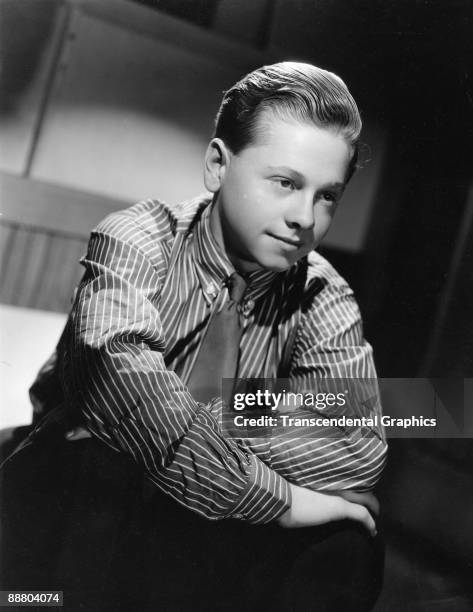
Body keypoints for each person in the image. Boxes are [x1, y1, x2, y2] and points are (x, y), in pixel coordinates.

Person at [1, 62, 387, 610]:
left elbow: (360, 444)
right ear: (217, 165)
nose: (306, 217)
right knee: (106, 460)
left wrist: (194, 409)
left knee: (352, 540)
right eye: (285, 182)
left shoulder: (325, 292)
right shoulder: (137, 239)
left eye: (328, 196)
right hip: (76, 486)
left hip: (199, 512)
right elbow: (121, 384)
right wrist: (283, 500)